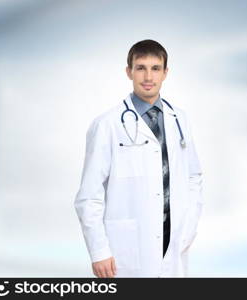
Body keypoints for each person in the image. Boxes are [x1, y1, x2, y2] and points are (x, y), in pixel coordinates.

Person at [74, 39, 203, 278]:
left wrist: (189, 228)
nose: (148, 76)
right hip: (126, 248)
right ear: (129, 72)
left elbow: (194, 176)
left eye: (155, 68)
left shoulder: (180, 120)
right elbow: (88, 196)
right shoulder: (107, 125)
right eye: (140, 67)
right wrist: (99, 251)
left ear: (165, 73)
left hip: (173, 243)